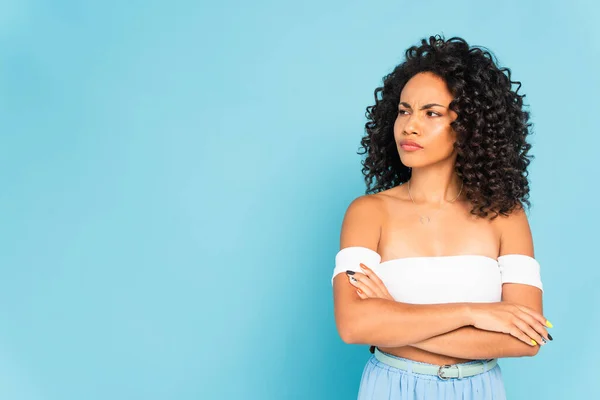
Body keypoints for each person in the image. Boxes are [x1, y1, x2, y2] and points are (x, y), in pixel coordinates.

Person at [331, 35, 552, 400]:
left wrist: (394, 317)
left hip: (479, 389)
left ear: (469, 127)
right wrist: (474, 313)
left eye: (430, 113)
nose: (409, 126)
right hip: (391, 387)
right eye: (404, 111)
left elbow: (528, 338)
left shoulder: (506, 216)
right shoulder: (367, 212)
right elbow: (354, 327)